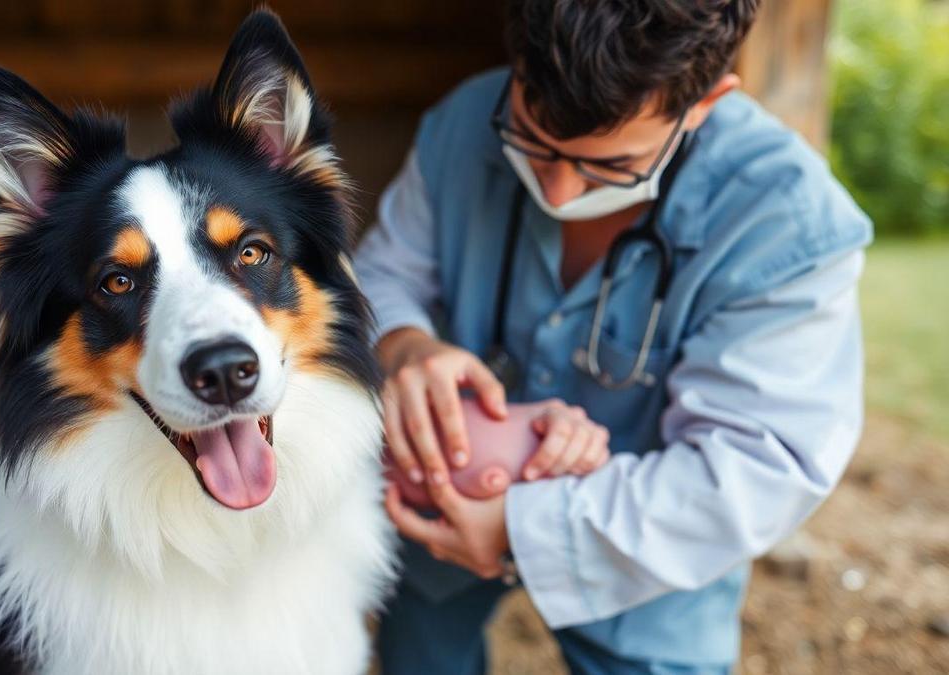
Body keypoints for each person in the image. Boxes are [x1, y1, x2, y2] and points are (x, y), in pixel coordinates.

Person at [352, 1, 873, 673]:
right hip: (441, 501)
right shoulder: (461, 124)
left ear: (709, 102)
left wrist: (522, 527)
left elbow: (752, 468)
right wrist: (402, 343)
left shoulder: (794, 226)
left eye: (609, 167)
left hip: (647, 542)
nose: (560, 192)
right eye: (532, 141)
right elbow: (382, 273)